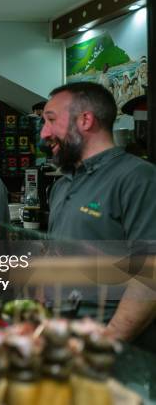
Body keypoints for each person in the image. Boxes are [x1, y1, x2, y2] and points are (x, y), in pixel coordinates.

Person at [41, 81, 156, 344]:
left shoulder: (139, 178)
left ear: (85, 120)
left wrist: (105, 343)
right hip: (61, 335)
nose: (44, 133)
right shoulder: (62, 185)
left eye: (50, 120)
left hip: (111, 350)